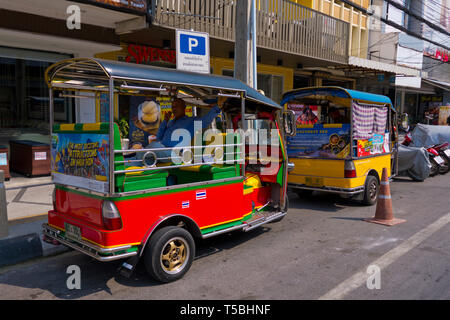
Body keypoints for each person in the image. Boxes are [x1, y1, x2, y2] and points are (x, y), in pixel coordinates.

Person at [141, 97, 226, 163]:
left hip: (175, 154)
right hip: (162, 152)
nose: (174, 109)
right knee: (140, 158)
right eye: (173, 107)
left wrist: (217, 107)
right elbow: (159, 138)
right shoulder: (170, 122)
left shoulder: (191, 121)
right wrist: (165, 121)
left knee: (154, 146)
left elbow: (206, 120)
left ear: (184, 107)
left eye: (177, 106)